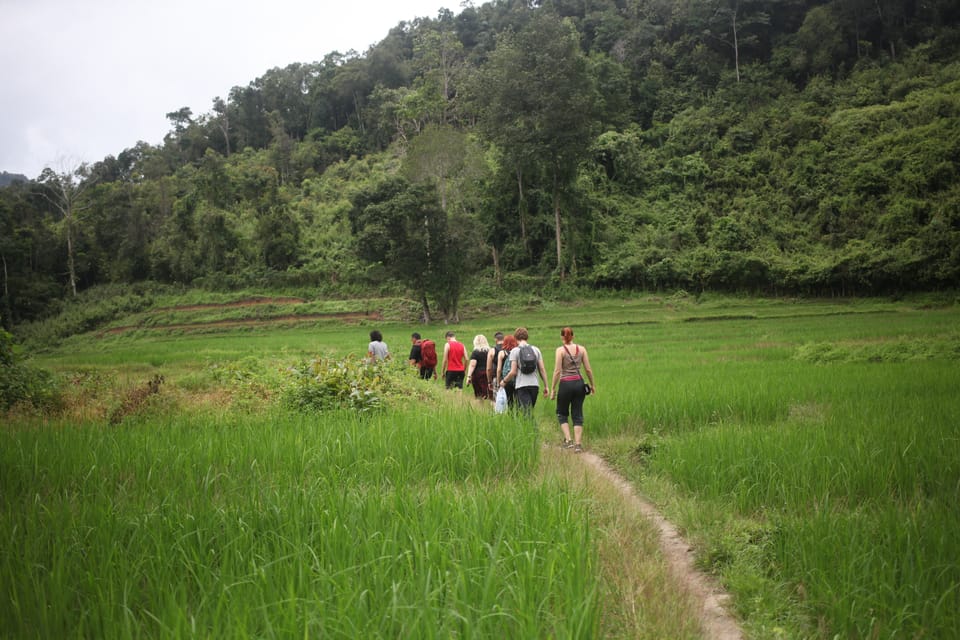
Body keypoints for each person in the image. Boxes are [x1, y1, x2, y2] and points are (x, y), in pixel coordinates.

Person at [550, 327, 595, 453]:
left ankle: (568, 440)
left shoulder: (560, 351)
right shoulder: (582, 349)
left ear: (562, 337)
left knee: (561, 412)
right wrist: (592, 385)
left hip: (565, 384)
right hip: (579, 384)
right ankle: (578, 444)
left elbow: (557, 371)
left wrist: (553, 388)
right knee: (577, 413)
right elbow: (588, 369)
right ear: (573, 336)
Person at [499, 327, 549, 417]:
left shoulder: (515, 351)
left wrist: (504, 381)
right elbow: (542, 369)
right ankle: (529, 428)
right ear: (527, 337)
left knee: (527, 414)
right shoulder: (536, 350)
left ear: (516, 338)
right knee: (529, 411)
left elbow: (513, 372)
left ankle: (532, 430)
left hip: (521, 386)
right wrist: (546, 386)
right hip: (534, 385)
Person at [466, 334, 492, 401]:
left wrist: (468, 376)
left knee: (479, 396)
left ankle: (481, 409)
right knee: (490, 394)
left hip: (478, 375)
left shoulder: (475, 352)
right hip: (489, 374)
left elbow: (472, 365)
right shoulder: (490, 351)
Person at [497, 334, 518, 408]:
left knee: (509, 402)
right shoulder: (517, 352)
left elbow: (499, 369)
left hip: (506, 380)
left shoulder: (502, 353)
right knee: (518, 401)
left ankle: (510, 417)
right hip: (516, 379)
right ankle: (519, 417)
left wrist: (499, 381)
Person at [486, 331, 505, 396]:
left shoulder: (492, 351)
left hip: (496, 378)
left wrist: (489, 381)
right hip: (508, 377)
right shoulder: (508, 349)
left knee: (497, 399)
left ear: (495, 340)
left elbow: (488, 368)